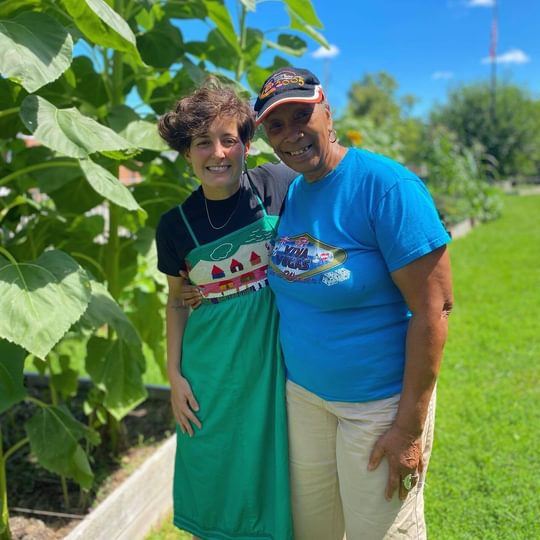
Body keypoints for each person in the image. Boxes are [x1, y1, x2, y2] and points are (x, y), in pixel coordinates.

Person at [252, 67, 454, 540]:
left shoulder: (386, 188)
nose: (291, 135)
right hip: (305, 398)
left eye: (302, 115)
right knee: (313, 530)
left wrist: (407, 428)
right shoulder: (295, 192)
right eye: (276, 126)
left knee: (378, 532)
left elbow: (435, 308)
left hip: (378, 404)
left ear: (327, 112)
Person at [155, 80, 295, 540]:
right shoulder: (174, 226)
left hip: (277, 363)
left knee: (284, 473)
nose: (218, 153)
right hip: (212, 370)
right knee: (216, 470)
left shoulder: (276, 184)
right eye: (203, 142)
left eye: (229, 139)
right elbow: (178, 301)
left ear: (247, 145)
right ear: (187, 153)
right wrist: (174, 378)